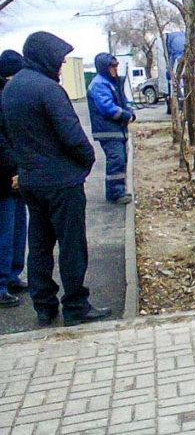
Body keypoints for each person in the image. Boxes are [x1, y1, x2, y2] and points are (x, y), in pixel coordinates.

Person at [1, 32, 110, 327]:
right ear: (46, 56)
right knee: (71, 245)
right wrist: (86, 161)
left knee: (38, 245)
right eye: (59, 61)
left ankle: (44, 306)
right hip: (61, 182)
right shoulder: (48, 89)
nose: (61, 67)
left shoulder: (11, 90)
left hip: (30, 181)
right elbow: (72, 136)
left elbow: (7, 135)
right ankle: (75, 305)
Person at [87, 53, 136, 204]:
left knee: (120, 160)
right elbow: (107, 108)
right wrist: (125, 116)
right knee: (117, 159)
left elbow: (123, 101)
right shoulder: (99, 84)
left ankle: (117, 191)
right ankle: (116, 193)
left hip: (116, 130)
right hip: (108, 131)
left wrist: (130, 112)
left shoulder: (111, 82)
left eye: (116, 65)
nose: (116, 68)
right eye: (112, 66)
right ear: (104, 67)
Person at [0, 50, 28, 308]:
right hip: (5, 177)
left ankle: (12, 275)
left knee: (19, 228)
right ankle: (1, 285)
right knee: (5, 232)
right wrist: (13, 169)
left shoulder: (9, 94)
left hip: (16, 174)